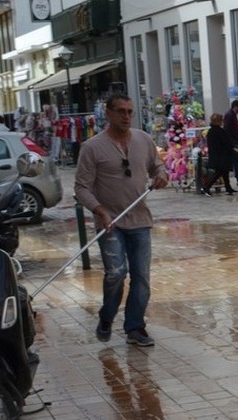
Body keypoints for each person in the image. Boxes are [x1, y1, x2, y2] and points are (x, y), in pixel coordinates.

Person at [74, 93, 169, 347]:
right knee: (116, 274)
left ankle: (135, 327)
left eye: (130, 111)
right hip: (110, 222)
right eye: (121, 111)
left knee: (141, 276)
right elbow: (81, 188)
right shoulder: (92, 147)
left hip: (140, 220)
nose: (126, 116)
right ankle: (107, 316)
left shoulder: (144, 139)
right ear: (108, 113)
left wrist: (161, 175)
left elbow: (157, 166)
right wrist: (100, 211)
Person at [202, 113, 237, 196]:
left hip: (216, 155)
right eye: (221, 120)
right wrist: (233, 148)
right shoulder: (219, 131)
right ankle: (207, 187)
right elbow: (226, 142)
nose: (222, 122)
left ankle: (228, 188)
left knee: (225, 172)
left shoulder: (211, 131)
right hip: (222, 156)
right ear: (218, 121)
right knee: (220, 172)